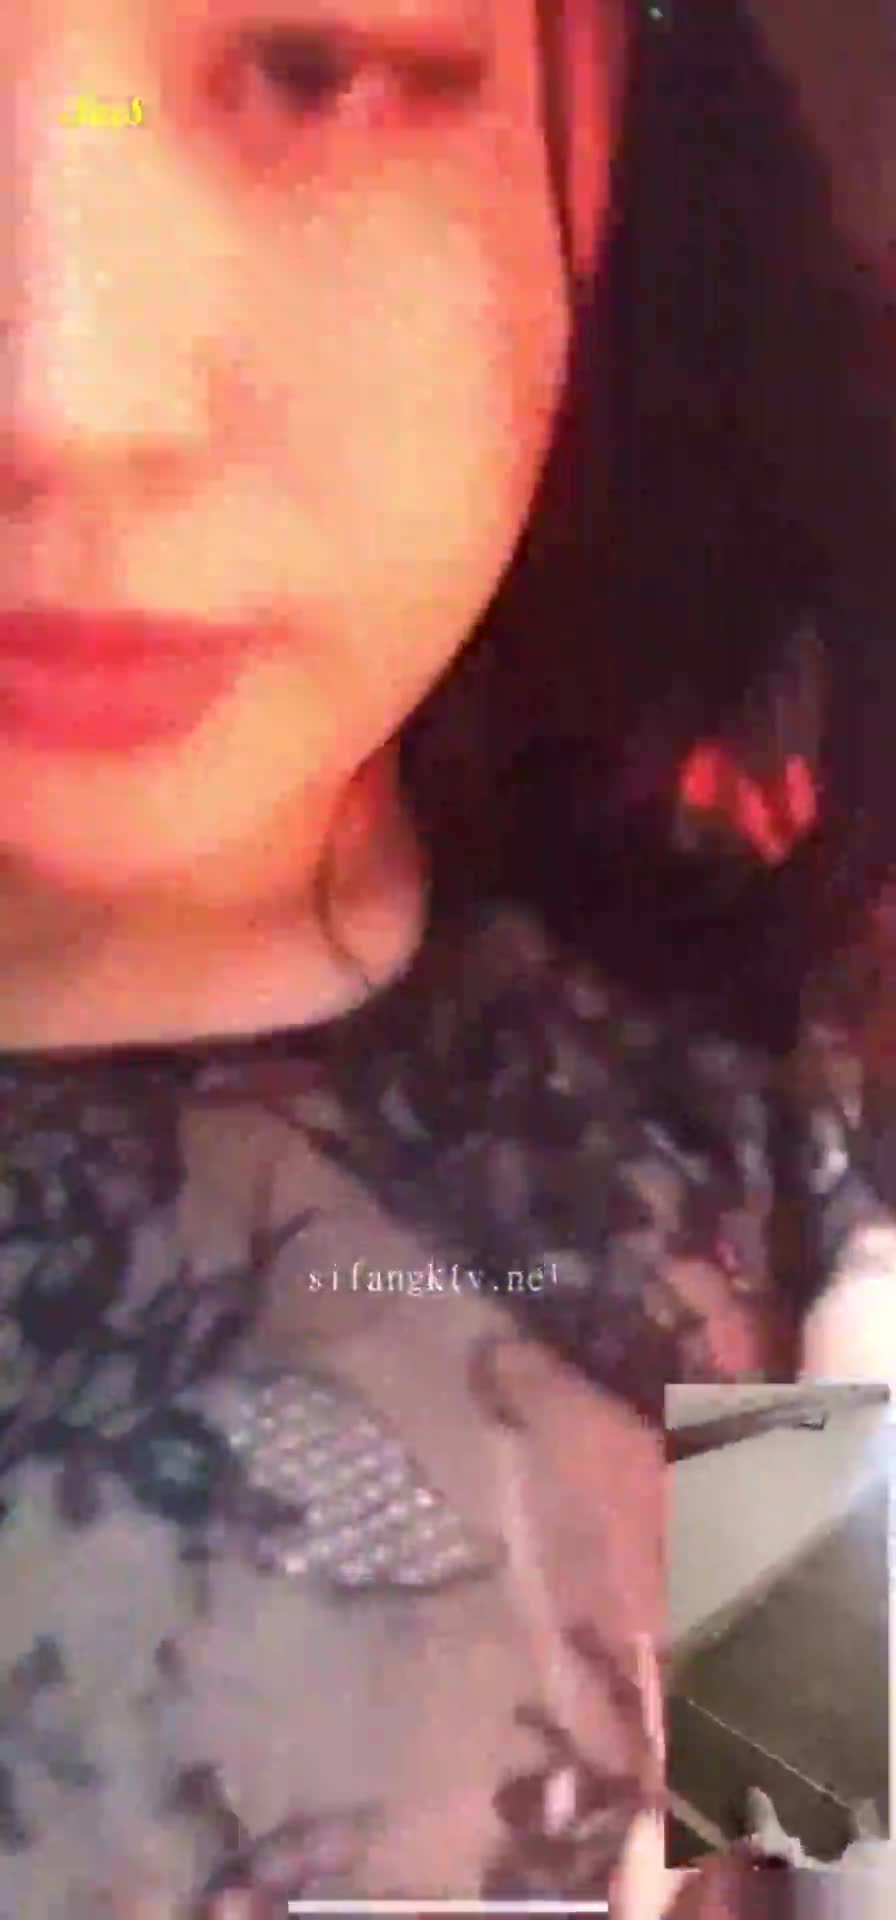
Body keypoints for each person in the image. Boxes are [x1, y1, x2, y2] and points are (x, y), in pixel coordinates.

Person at [0, 1, 893, 1915]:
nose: (69, 394)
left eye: (318, 62)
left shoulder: (759, 1166)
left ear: (627, 109)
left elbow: (813, 1833)